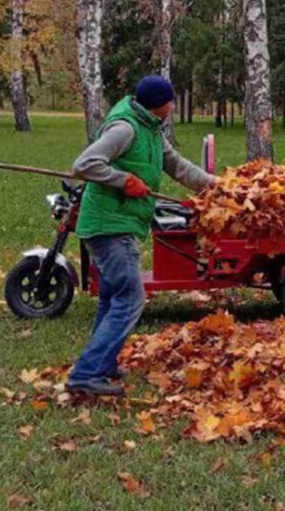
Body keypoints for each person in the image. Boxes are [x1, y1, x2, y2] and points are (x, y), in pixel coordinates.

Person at [66, 75, 214, 396]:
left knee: (111, 296)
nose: (173, 107)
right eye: (170, 102)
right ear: (158, 105)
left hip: (118, 223)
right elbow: (84, 164)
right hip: (109, 226)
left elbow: (177, 165)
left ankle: (102, 365)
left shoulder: (149, 128)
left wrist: (215, 186)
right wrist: (123, 180)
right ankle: (85, 374)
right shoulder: (126, 128)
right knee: (131, 298)